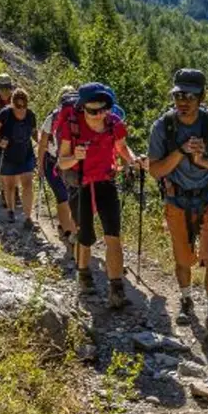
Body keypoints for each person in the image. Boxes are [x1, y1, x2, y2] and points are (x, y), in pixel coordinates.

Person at [147, 68, 208, 336]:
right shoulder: (163, 126)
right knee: (183, 258)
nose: (183, 102)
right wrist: (180, 152)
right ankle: (186, 300)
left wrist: (202, 160)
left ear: (201, 97)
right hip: (177, 198)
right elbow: (155, 170)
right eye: (178, 96)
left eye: (189, 96)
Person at [55, 82, 138, 309]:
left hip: (106, 182)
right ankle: (83, 275)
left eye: (104, 109)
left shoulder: (113, 124)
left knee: (113, 235)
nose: (100, 114)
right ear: (83, 108)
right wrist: (75, 157)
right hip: (81, 184)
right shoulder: (72, 127)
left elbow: (122, 148)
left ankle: (116, 288)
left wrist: (132, 160)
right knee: (85, 234)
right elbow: (61, 161)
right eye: (93, 110)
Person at [0, 86, 38, 229]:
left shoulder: (30, 115)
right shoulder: (4, 114)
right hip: (8, 155)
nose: (21, 109)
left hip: (26, 154)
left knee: (28, 184)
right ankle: (11, 210)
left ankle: (28, 217)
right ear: (12, 103)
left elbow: (34, 133)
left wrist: (41, 141)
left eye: (24, 105)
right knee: (10, 186)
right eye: (18, 105)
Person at [39, 85, 79, 243]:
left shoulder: (53, 116)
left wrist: (40, 165)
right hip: (72, 163)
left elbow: (43, 144)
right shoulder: (78, 117)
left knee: (63, 198)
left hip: (53, 162)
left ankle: (68, 231)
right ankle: (70, 231)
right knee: (68, 198)